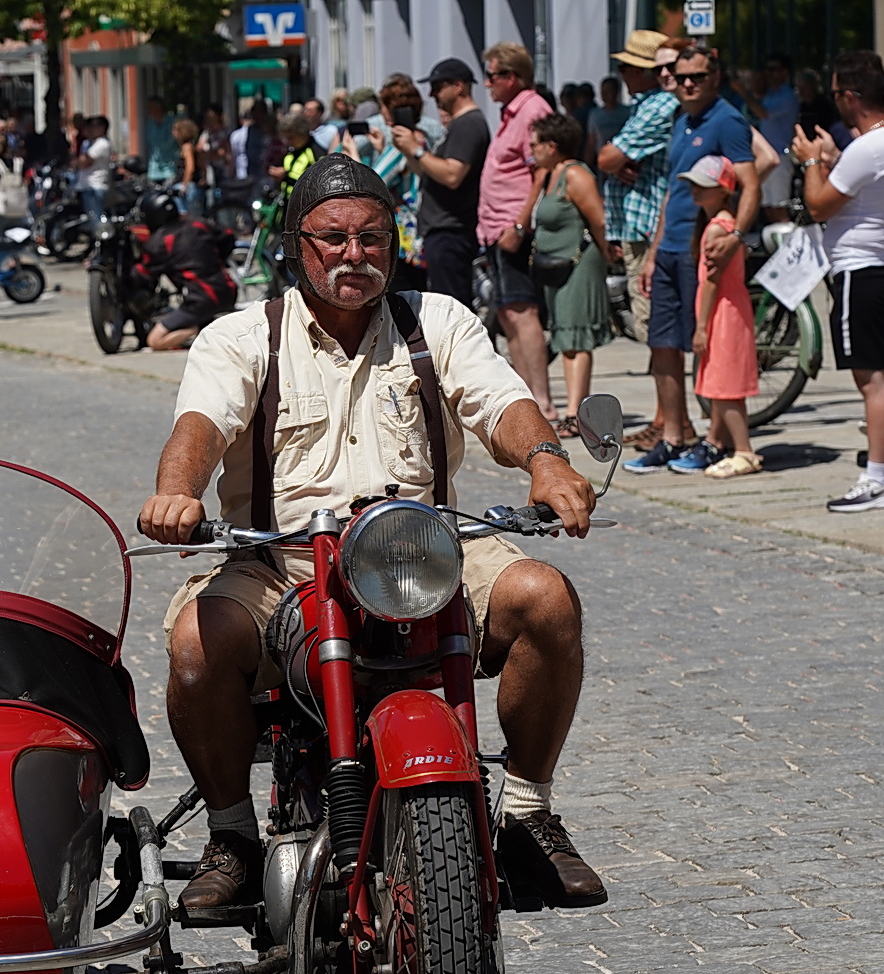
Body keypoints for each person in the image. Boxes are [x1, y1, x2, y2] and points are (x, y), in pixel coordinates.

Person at [137, 153, 606, 911]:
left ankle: (527, 812)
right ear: (298, 245)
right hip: (283, 561)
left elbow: (497, 399)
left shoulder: (437, 321)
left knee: (545, 597)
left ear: (394, 242)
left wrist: (546, 461)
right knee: (196, 641)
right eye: (333, 239)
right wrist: (175, 491)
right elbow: (202, 421)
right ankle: (232, 833)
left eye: (372, 237)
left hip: (417, 551)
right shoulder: (243, 336)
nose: (354, 255)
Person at [791, 49, 884, 513]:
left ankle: (878, 477)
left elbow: (821, 204)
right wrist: (831, 156)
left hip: (859, 269)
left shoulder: (869, 147)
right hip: (883, 262)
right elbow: (861, 187)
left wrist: (811, 161)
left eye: (834, 94)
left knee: (873, 380)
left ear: (849, 95)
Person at [625, 44, 759, 474]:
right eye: (680, 76)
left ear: (714, 77)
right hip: (668, 248)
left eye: (696, 76)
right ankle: (673, 436)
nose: (686, 83)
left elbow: (750, 183)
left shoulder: (729, 120)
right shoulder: (681, 120)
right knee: (662, 344)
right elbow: (671, 191)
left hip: (701, 249)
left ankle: (716, 440)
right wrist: (652, 252)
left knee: (706, 346)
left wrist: (736, 234)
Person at [598, 31, 676, 446]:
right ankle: (668, 418)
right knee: (653, 327)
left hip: (650, 231)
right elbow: (613, 157)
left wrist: (616, 158)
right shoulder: (646, 104)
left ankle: (669, 420)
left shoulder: (659, 105)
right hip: (640, 227)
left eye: (628, 66)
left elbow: (607, 157)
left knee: (655, 326)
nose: (622, 73)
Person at [471, 45, 551, 415]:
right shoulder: (510, 113)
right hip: (495, 228)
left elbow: (542, 171)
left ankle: (542, 400)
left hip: (512, 227)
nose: (486, 83)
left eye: (492, 76)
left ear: (511, 77)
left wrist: (521, 222)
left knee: (522, 310)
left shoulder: (533, 109)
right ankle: (527, 397)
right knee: (507, 312)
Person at [668, 156, 761, 477]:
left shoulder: (715, 230)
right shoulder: (727, 225)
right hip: (733, 309)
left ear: (723, 190)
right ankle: (721, 442)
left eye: (703, 186)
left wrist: (702, 326)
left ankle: (744, 450)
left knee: (724, 388)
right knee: (723, 384)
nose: (695, 191)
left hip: (723, 313)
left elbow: (710, 282)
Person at [520, 112, 608, 438]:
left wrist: (607, 256)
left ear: (552, 145)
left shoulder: (576, 174)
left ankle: (575, 413)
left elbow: (598, 221)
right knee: (564, 337)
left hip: (579, 263)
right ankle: (574, 410)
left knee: (576, 338)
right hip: (556, 267)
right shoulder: (550, 173)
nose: (531, 150)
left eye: (535, 144)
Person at [397, 57, 490, 312]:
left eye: (438, 87)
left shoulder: (468, 123)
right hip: (442, 231)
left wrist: (416, 151)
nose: (432, 94)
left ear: (458, 86)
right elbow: (430, 172)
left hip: (451, 231)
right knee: (444, 309)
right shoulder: (459, 124)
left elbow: (452, 175)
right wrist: (408, 150)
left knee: (453, 312)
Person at [343, 72, 439, 291]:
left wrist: (353, 153)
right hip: (423, 225)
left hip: (405, 235)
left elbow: (371, 182)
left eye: (383, 105)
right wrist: (380, 149)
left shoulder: (400, 141)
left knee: (403, 296)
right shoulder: (422, 135)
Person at [131, 187, 236, 350]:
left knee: (154, 341)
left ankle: (195, 330)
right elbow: (228, 236)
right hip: (228, 290)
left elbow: (144, 273)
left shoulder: (158, 242)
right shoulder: (198, 223)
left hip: (200, 301)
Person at [747, 54, 799, 223]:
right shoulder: (769, 94)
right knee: (767, 207)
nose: (769, 74)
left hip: (780, 156)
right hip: (766, 157)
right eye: (767, 69)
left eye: (774, 69)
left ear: (785, 72)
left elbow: (763, 113)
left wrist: (742, 92)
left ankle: (790, 245)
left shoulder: (788, 95)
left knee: (779, 207)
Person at [271, 110, 324, 208]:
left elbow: (318, 184)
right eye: (286, 138)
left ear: (302, 133)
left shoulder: (316, 153)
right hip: (286, 205)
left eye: (291, 137)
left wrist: (285, 177)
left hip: (306, 206)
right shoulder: (290, 151)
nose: (288, 141)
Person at [70, 115, 113, 222]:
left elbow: (84, 162)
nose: (90, 130)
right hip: (86, 186)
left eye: (93, 127)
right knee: (89, 218)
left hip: (95, 186)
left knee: (96, 219)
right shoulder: (89, 143)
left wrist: (78, 162)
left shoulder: (102, 143)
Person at [585, 76, 630, 166]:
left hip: (622, 159)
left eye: (609, 91)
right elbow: (591, 140)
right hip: (602, 159)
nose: (605, 94)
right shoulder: (595, 114)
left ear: (617, 92)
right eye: (603, 91)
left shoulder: (627, 112)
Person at [172, 117, 202, 217]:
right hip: (193, 186)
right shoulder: (192, 147)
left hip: (187, 186)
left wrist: (185, 184)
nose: (173, 133)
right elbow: (202, 165)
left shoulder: (186, 148)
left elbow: (190, 167)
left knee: (184, 214)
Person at [144, 97, 177, 185]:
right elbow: (149, 144)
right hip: (153, 170)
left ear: (158, 108)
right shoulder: (150, 124)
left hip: (169, 169)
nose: (148, 110)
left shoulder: (172, 123)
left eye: (150, 107)